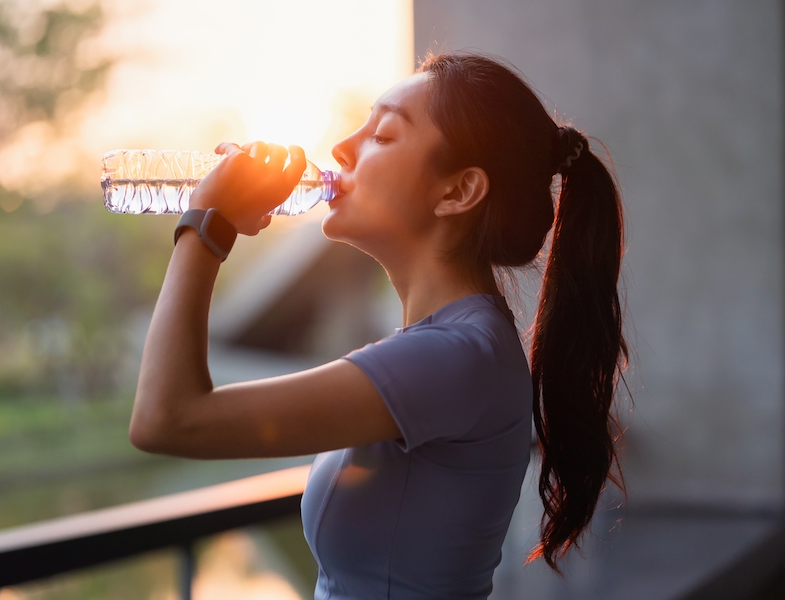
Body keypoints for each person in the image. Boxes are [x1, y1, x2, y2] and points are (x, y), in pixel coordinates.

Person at [129, 51, 628, 599]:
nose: (343, 146)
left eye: (383, 135)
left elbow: (167, 420)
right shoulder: (448, 346)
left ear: (457, 192)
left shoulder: (456, 355)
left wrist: (205, 227)